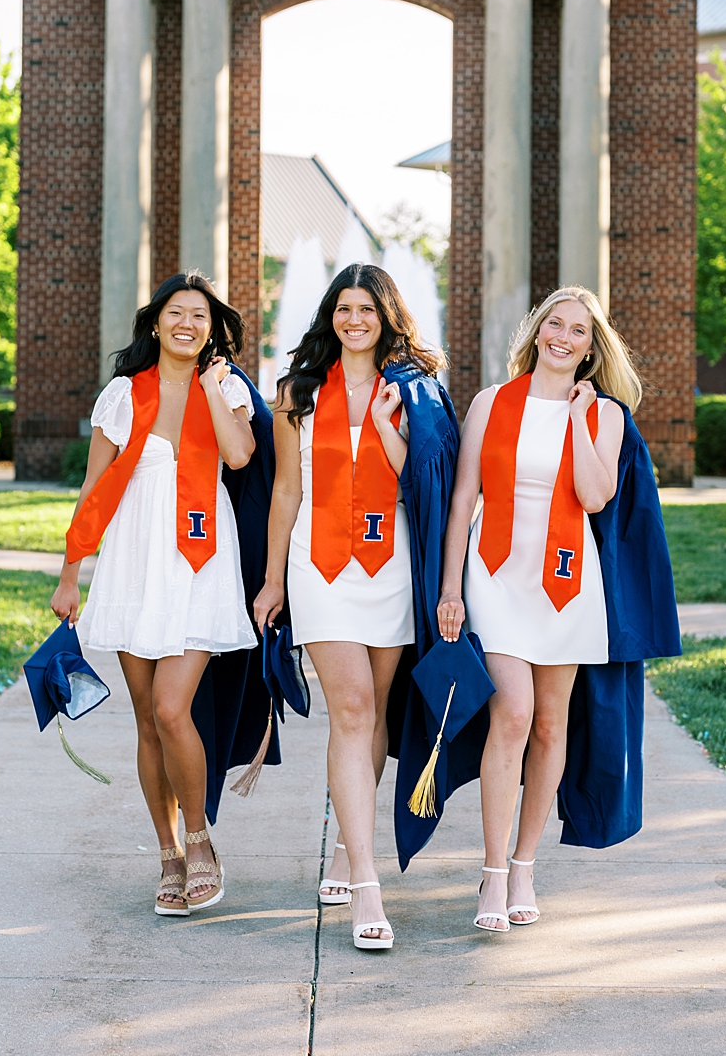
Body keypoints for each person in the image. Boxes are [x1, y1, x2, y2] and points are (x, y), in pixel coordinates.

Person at [433, 285, 678, 933]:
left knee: (549, 726)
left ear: (592, 348)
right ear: (537, 330)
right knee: (511, 714)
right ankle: (490, 874)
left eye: (578, 331)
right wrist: (450, 586)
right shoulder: (491, 403)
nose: (563, 337)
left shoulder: (605, 416)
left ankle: (524, 866)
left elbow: (596, 497)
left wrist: (576, 417)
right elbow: (463, 499)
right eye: (554, 324)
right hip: (496, 576)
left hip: (567, 587)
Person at [52, 272, 270, 918]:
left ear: (212, 328)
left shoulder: (225, 388)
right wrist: (71, 572)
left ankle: (200, 839)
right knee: (147, 718)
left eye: (200, 317)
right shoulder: (124, 396)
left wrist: (209, 386)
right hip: (135, 565)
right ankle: (168, 853)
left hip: (201, 565)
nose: (188, 324)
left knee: (175, 710)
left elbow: (239, 457)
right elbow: (95, 492)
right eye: (177, 313)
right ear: (156, 322)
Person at [253, 264, 450, 952]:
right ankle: (368, 883)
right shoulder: (295, 396)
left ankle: (348, 844)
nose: (355, 319)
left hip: (389, 564)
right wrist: (273, 580)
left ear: (387, 316)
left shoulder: (416, 393)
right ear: (329, 316)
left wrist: (391, 424)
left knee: (377, 717)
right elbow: (284, 492)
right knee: (354, 708)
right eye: (344, 307)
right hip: (321, 565)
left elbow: (425, 483)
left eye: (367, 308)